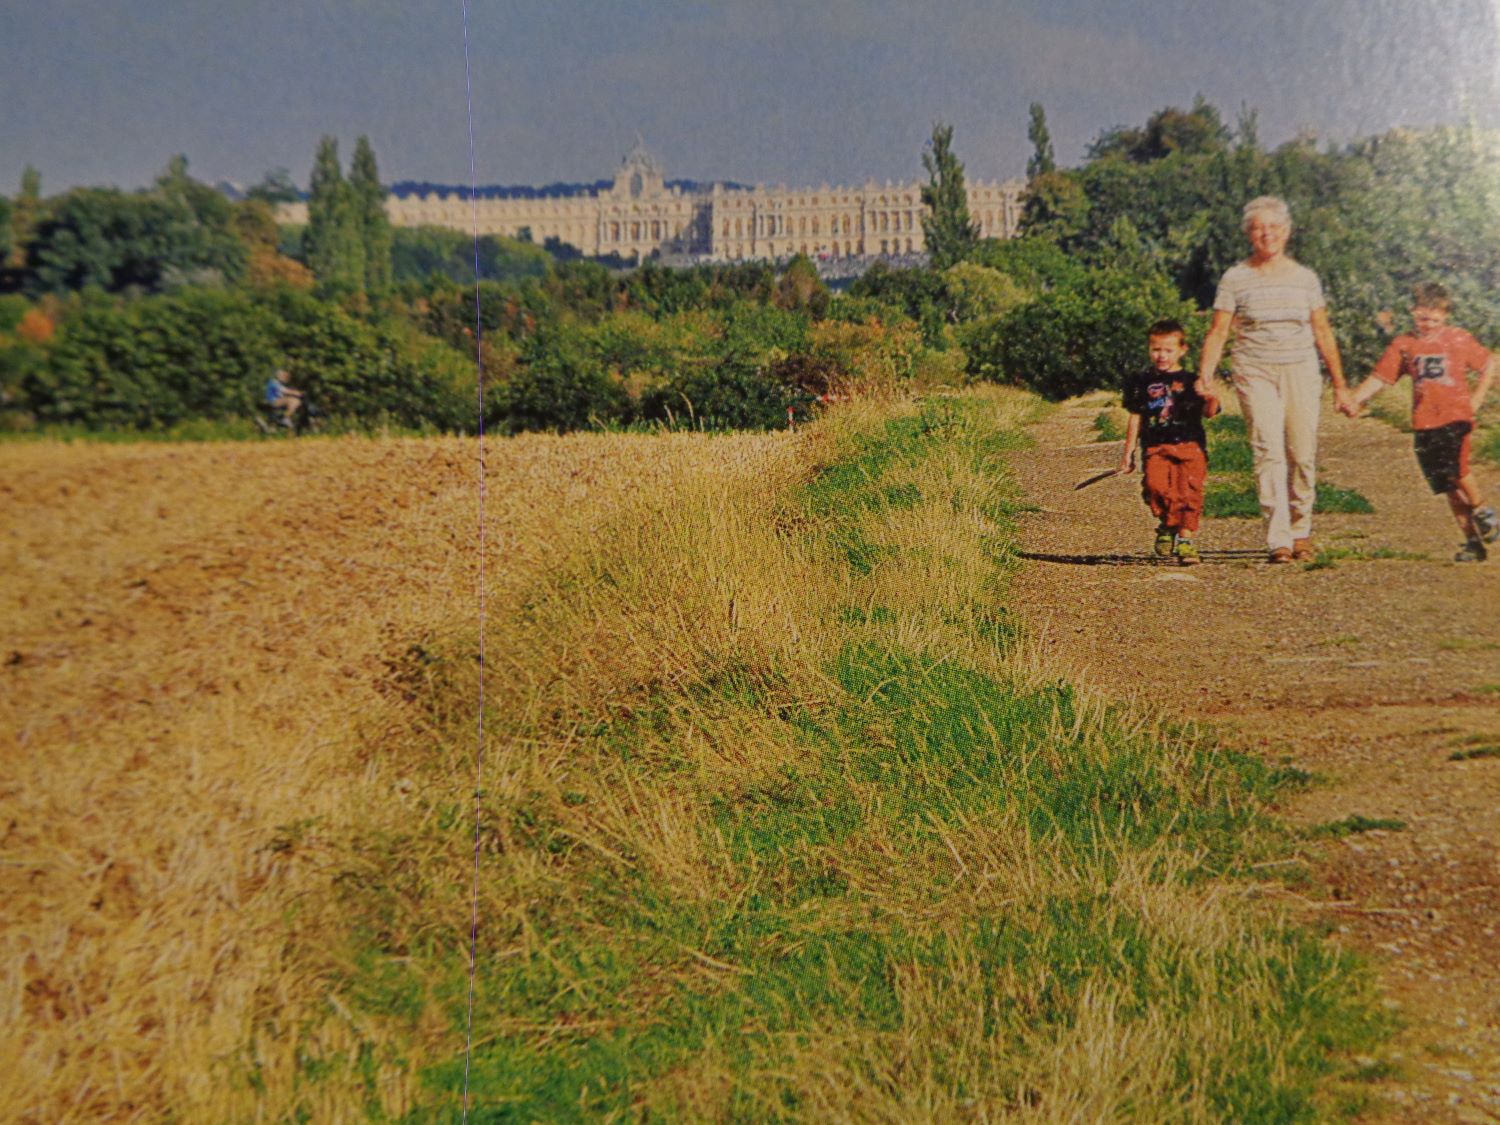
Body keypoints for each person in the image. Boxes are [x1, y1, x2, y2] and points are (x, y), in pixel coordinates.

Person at [1195, 196, 1354, 563]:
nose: (1267, 234)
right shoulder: (1235, 278)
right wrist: (1206, 376)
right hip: (1255, 371)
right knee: (1268, 450)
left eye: (1274, 227)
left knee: (1301, 452)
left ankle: (1301, 527)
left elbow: (1323, 331)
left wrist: (1341, 385)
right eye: (1258, 228)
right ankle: (1278, 538)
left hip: (1300, 370)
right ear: (1249, 234)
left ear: (1286, 232)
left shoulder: (1304, 279)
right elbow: (1219, 331)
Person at [1342, 282, 1498, 561]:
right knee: (1448, 487)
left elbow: (1489, 364)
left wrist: (1475, 400)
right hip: (1425, 422)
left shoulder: (1458, 338)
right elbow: (1381, 378)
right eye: (1423, 318)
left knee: (1457, 470)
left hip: (1456, 416)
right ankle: (1473, 542)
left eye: (1436, 320)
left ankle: (1484, 511)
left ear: (1446, 316)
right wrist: (1356, 399)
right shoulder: (1405, 344)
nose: (1429, 325)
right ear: (1413, 312)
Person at [1118, 319, 1220, 566]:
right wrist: (1128, 452)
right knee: (1155, 488)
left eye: (1168, 350)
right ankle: (1168, 523)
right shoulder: (1141, 381)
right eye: (1156, 349)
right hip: (1156, 446)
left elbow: (1210, 412)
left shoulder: (1192, 380)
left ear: (1182, 350)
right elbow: (1136, 416)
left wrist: (1211, 397)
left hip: (1190, 445)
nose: (1161, 355)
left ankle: (1185, 540)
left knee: (1190, 492)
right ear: (1148, 348)